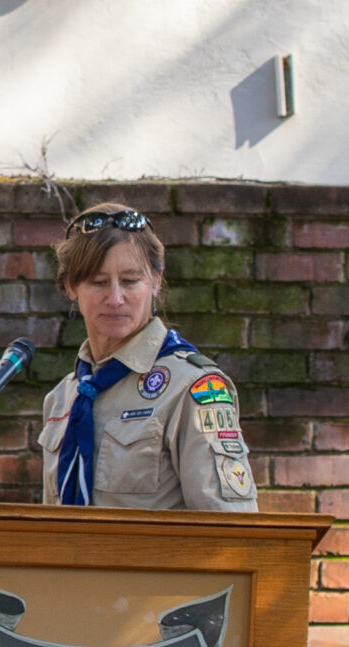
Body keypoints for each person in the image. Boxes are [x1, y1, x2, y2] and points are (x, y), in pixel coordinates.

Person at [38, 203, 258, 513]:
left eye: (130, 281)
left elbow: (231, 531)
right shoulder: (63, 398)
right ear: (71, 288)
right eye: (98, 282)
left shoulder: (194, 388)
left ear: (156, 280)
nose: (115, 299)